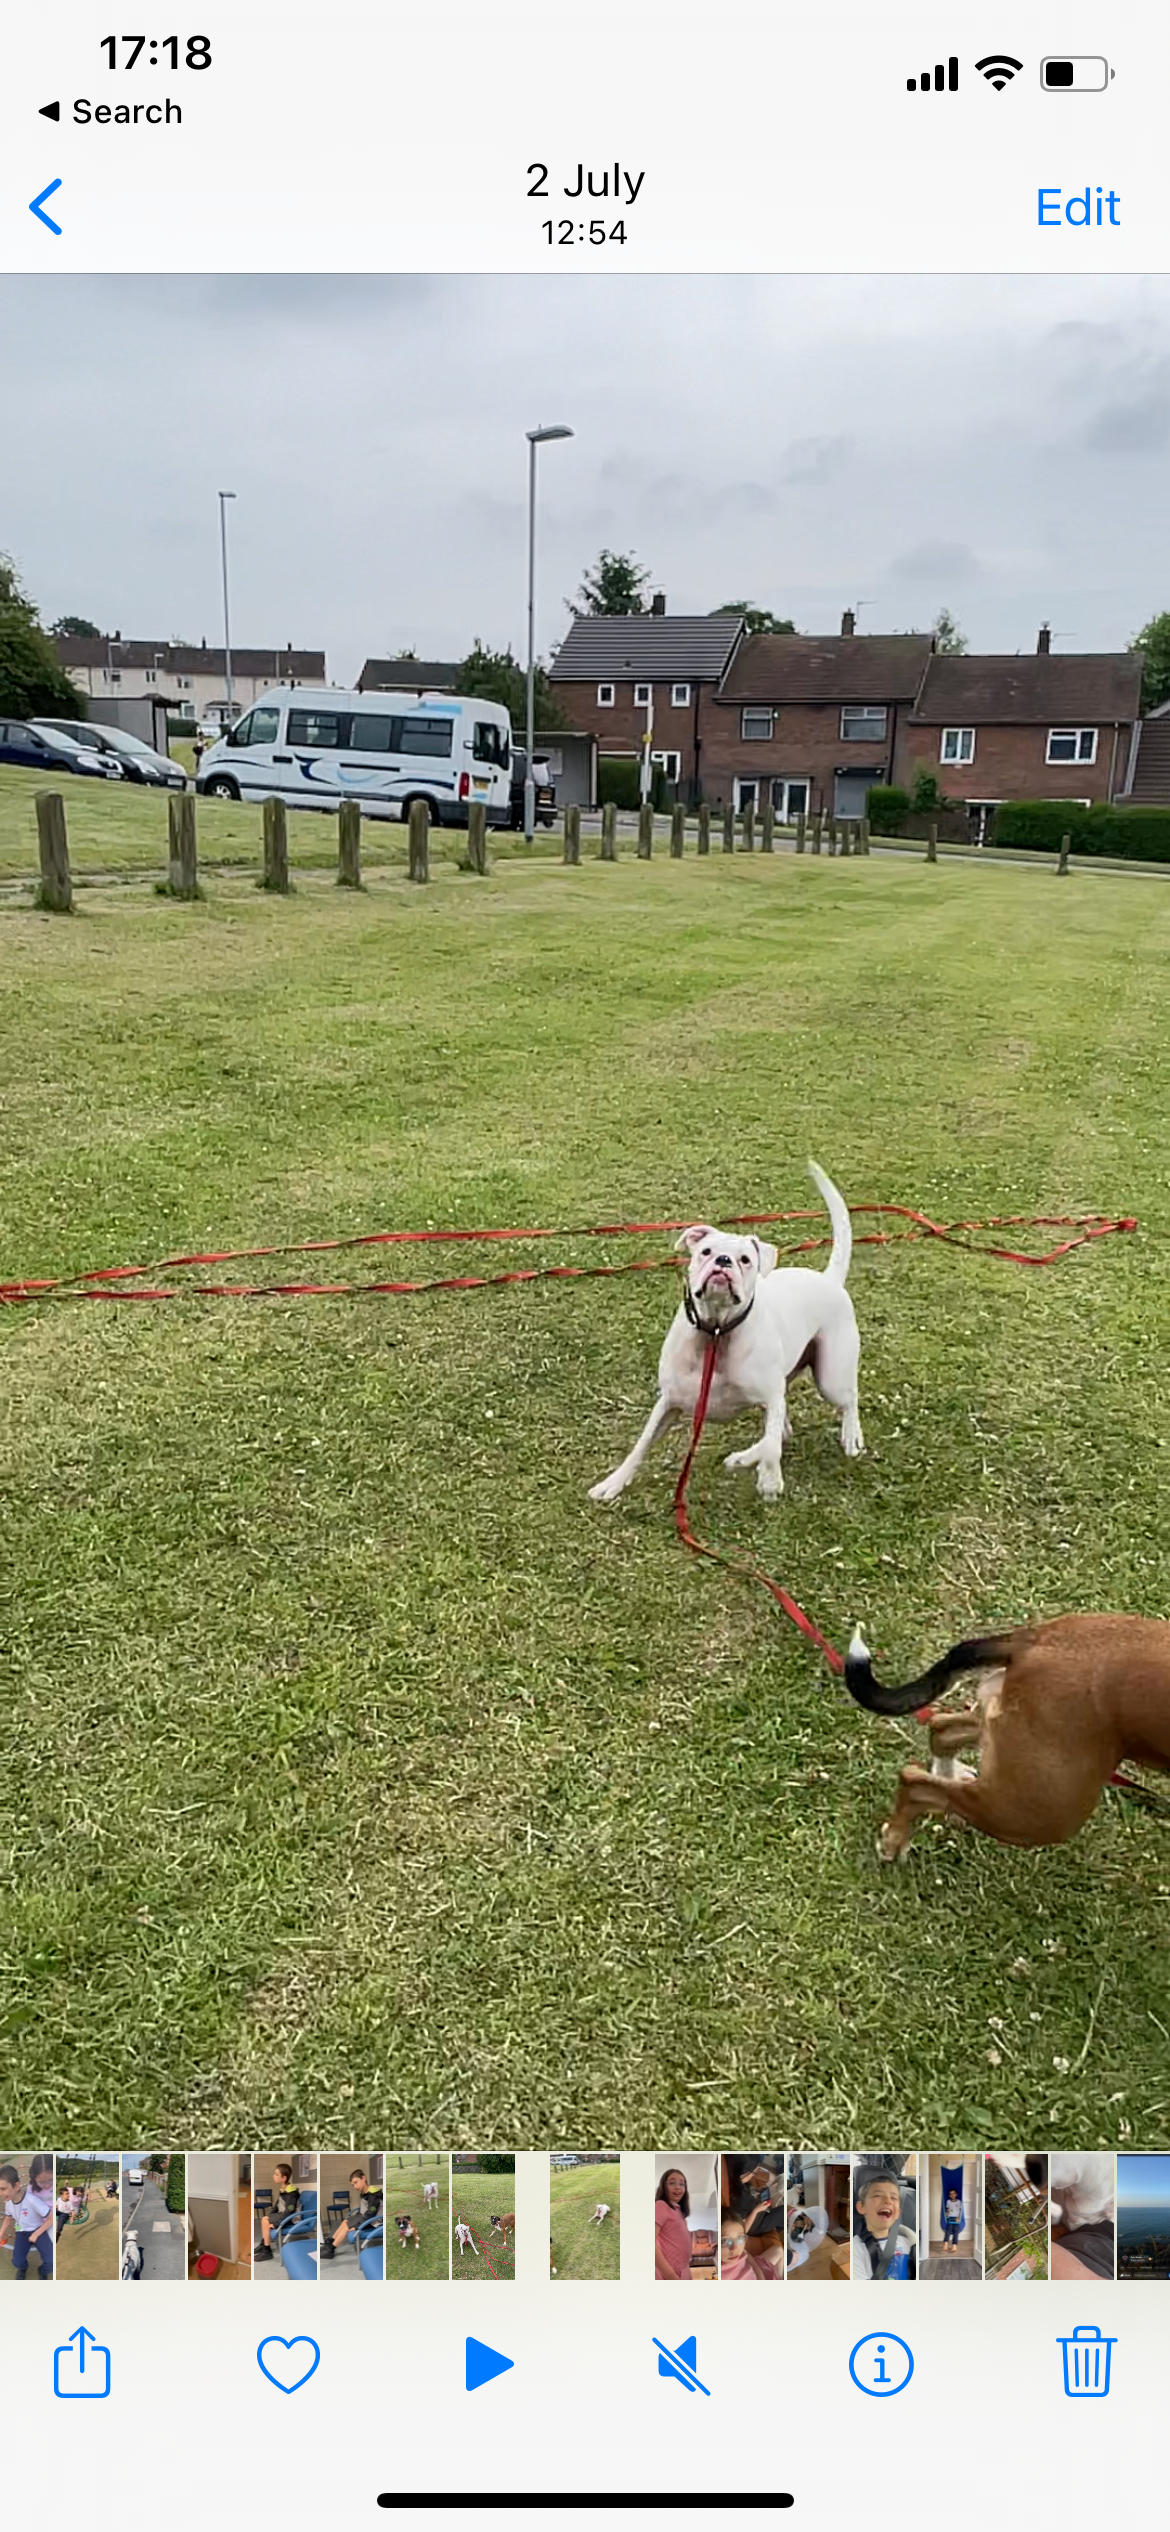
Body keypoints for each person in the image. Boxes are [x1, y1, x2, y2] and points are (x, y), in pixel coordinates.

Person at [852, 2168, 917, 2280]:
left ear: (898, 2212)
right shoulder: (856, 2248)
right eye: (878, 2196)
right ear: (861, 2207)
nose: (888, 2201)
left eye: (894, 2197)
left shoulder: (909, 2243)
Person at [0, 2157, 55, 2278]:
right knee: (17, 2262)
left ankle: (43, 2271)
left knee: (51, 2260)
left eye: (3, 2189)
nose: (0, 2193)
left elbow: (51, 2217)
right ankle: (23, 2268)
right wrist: (1, 2233)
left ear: (16, 2186)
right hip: (21, 2231)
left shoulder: (32, 2200)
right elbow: (8, 2217)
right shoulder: (8, 2201)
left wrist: (36, 2234)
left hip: (37, 2230)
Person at [255, 2163, 301, 2262]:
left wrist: (277, 2222)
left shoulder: (290, 2194)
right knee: (265, 2218)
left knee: (265, 2221)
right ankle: (264, 2244)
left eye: (276, 2174)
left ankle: (267, 2251)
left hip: (292, 2219)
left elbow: (290, 2212)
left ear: (284, 2178)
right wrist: (270, 2216)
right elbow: (276, 2206)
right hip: (284, 2216)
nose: (273, 2176)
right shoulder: (283, 2190)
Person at [654, 2169, 693, 2281]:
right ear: (663, 2186)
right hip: (669, 2273)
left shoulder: (678, 2211)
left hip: (683, 2269)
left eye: (682, 2184)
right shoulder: (661, 2205)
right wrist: (671, 2276)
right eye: (672, 2183)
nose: (677, 2187)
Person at [330, 2169, 379, 2253]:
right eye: (353, 2185)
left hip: (373, 2221)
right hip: (365, 2217)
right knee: (345, 2222)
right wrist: (353, 2218)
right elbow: (362, 2210)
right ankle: (330, 2241)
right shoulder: (364, 2193)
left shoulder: (373, 2195)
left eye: (356, 2182)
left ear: (363, 2178)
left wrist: (356, 2226)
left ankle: (331, 2249)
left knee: (346, 2228)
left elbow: (371, 2214)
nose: (355, 2186)